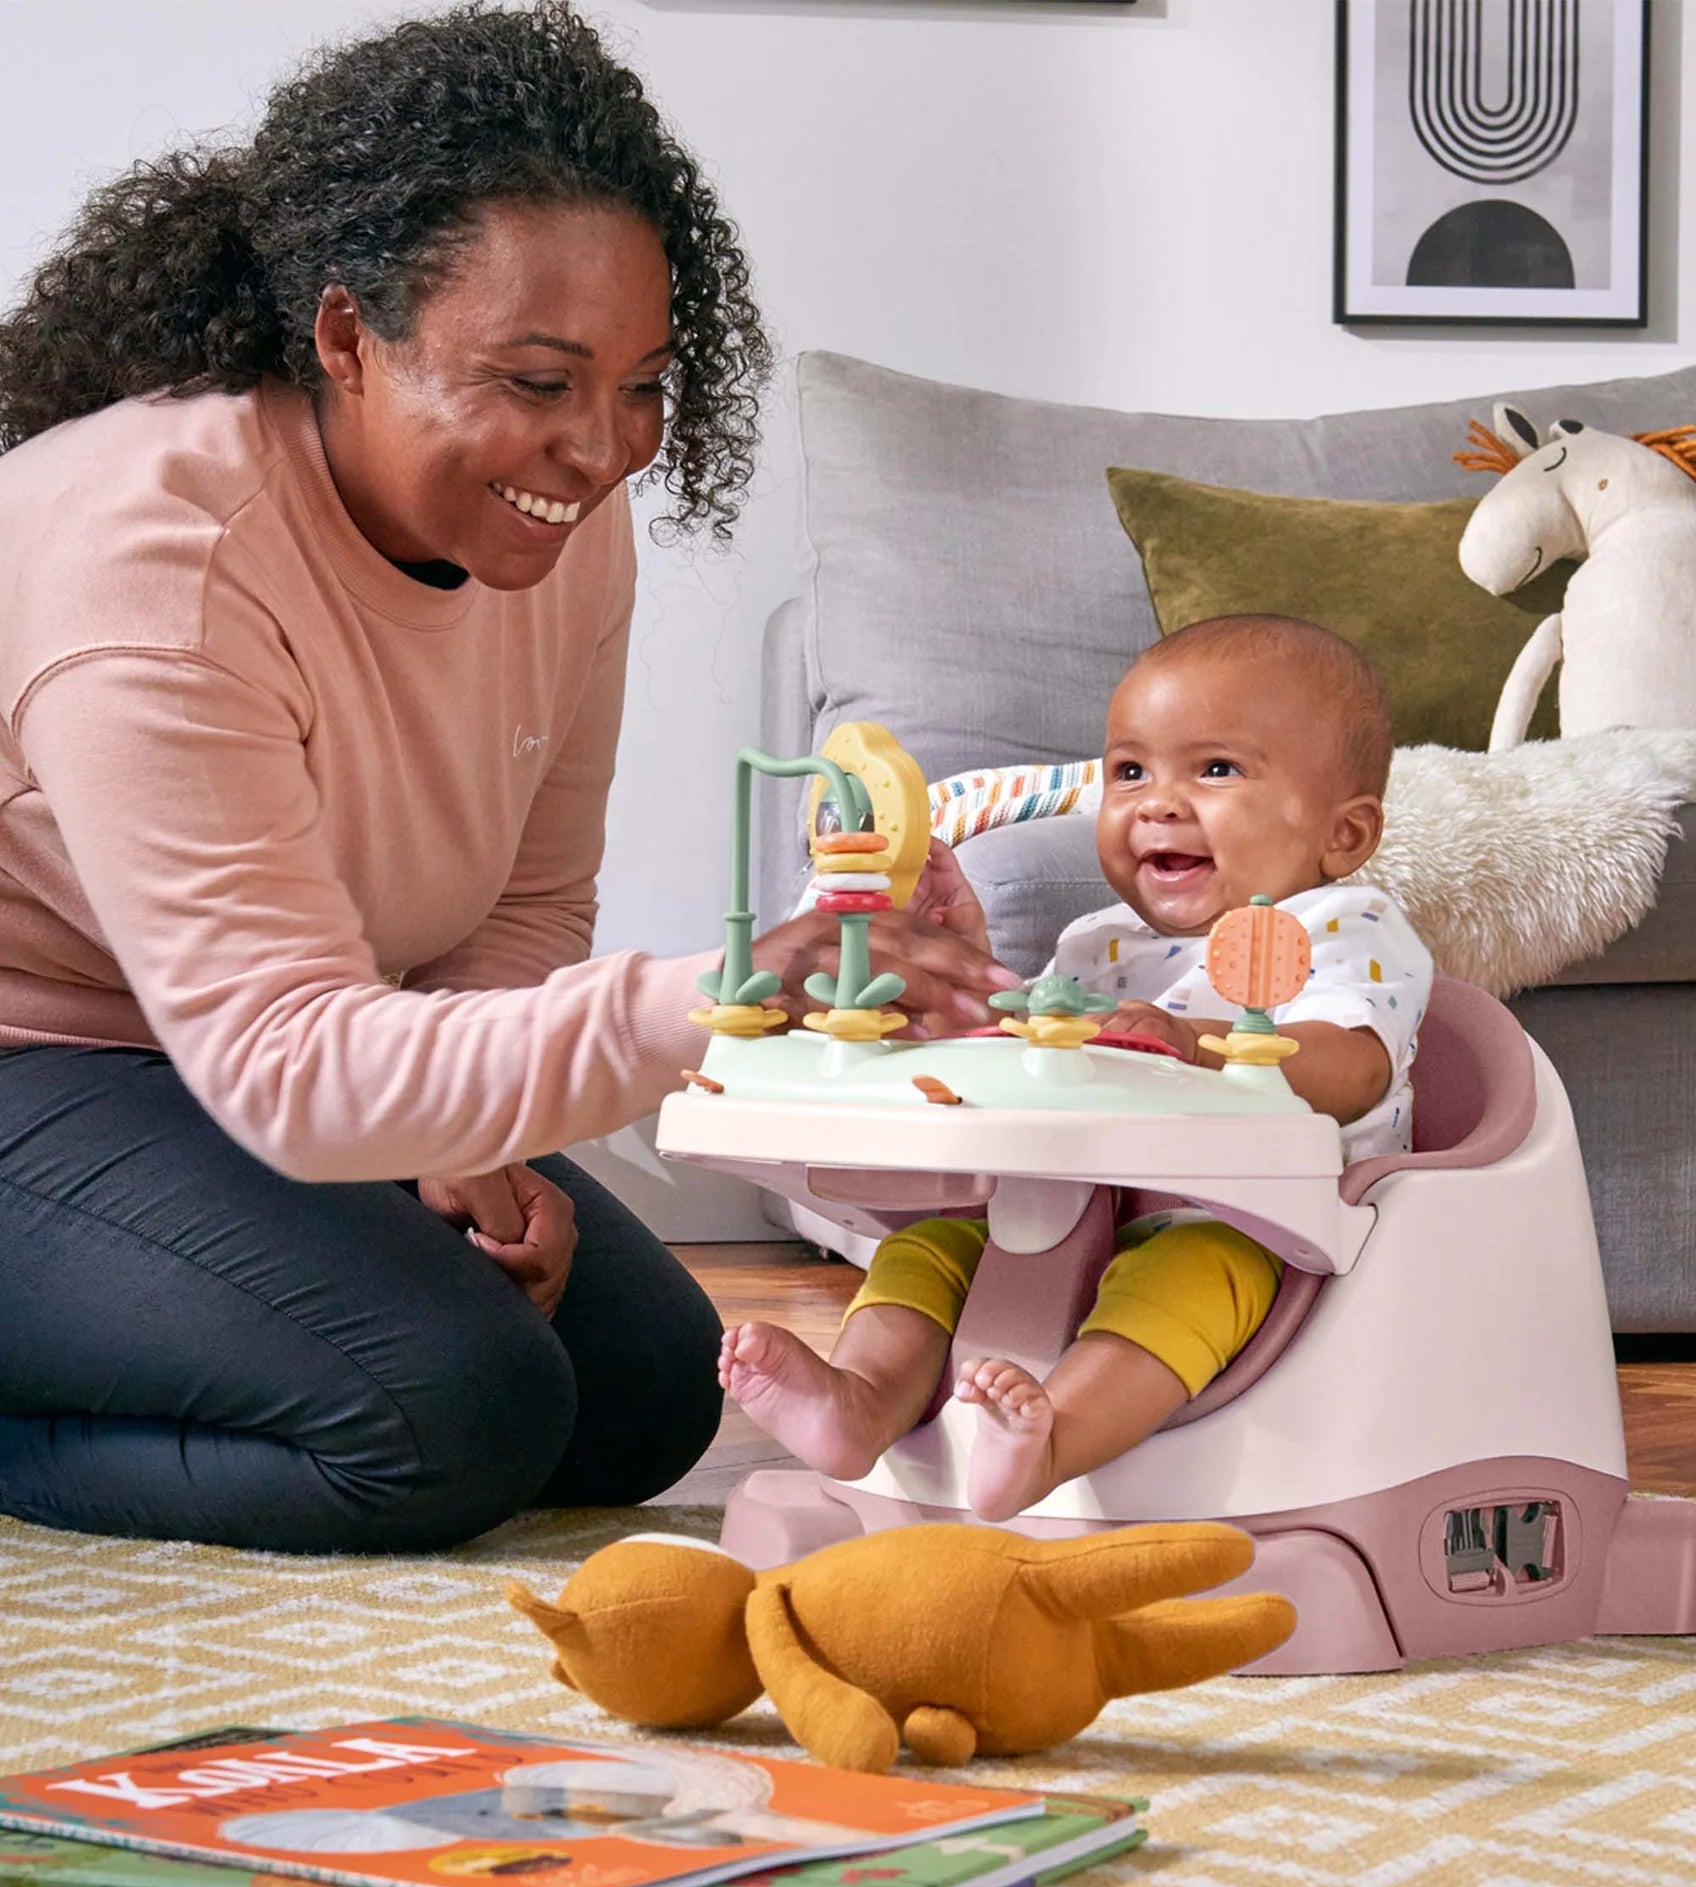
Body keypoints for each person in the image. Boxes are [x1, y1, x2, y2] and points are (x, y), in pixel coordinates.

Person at [0, 3, 1008, 1555]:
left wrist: (463, 1145)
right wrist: (725, 997)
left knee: (642, 1396)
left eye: (642, 385)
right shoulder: (167, 570)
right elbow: (282, 1062)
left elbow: (526, 896)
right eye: (537, 381)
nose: (599, 449)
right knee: (449, 1415)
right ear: (347, 337)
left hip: (235, 1067)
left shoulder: (552, 519)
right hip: (38, 1069)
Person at [719, 614, 1435, 1521]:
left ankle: (1056, 1437)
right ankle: (860, 1399)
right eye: (1130, 771)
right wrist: (967, 968)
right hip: (1068, 1216)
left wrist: (1196, 1047)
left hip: (1265, 1230)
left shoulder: (1348, 929)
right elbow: (1031, 1058)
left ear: (1344, 834)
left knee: (1184, 1274)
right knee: (929, 1247)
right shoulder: (1096, 945)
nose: (1158, 802)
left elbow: (1355, 1068)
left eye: (1216, 769)